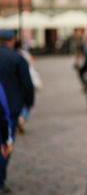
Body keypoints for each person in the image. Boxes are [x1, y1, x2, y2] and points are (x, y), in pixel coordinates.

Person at [0, 30, 34, 193]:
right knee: (6, 144)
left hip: (8, 108)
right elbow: (27, 84)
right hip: (10, 110)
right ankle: (0, 180)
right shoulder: (17, 58)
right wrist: (29, 104)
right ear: (12, 40)